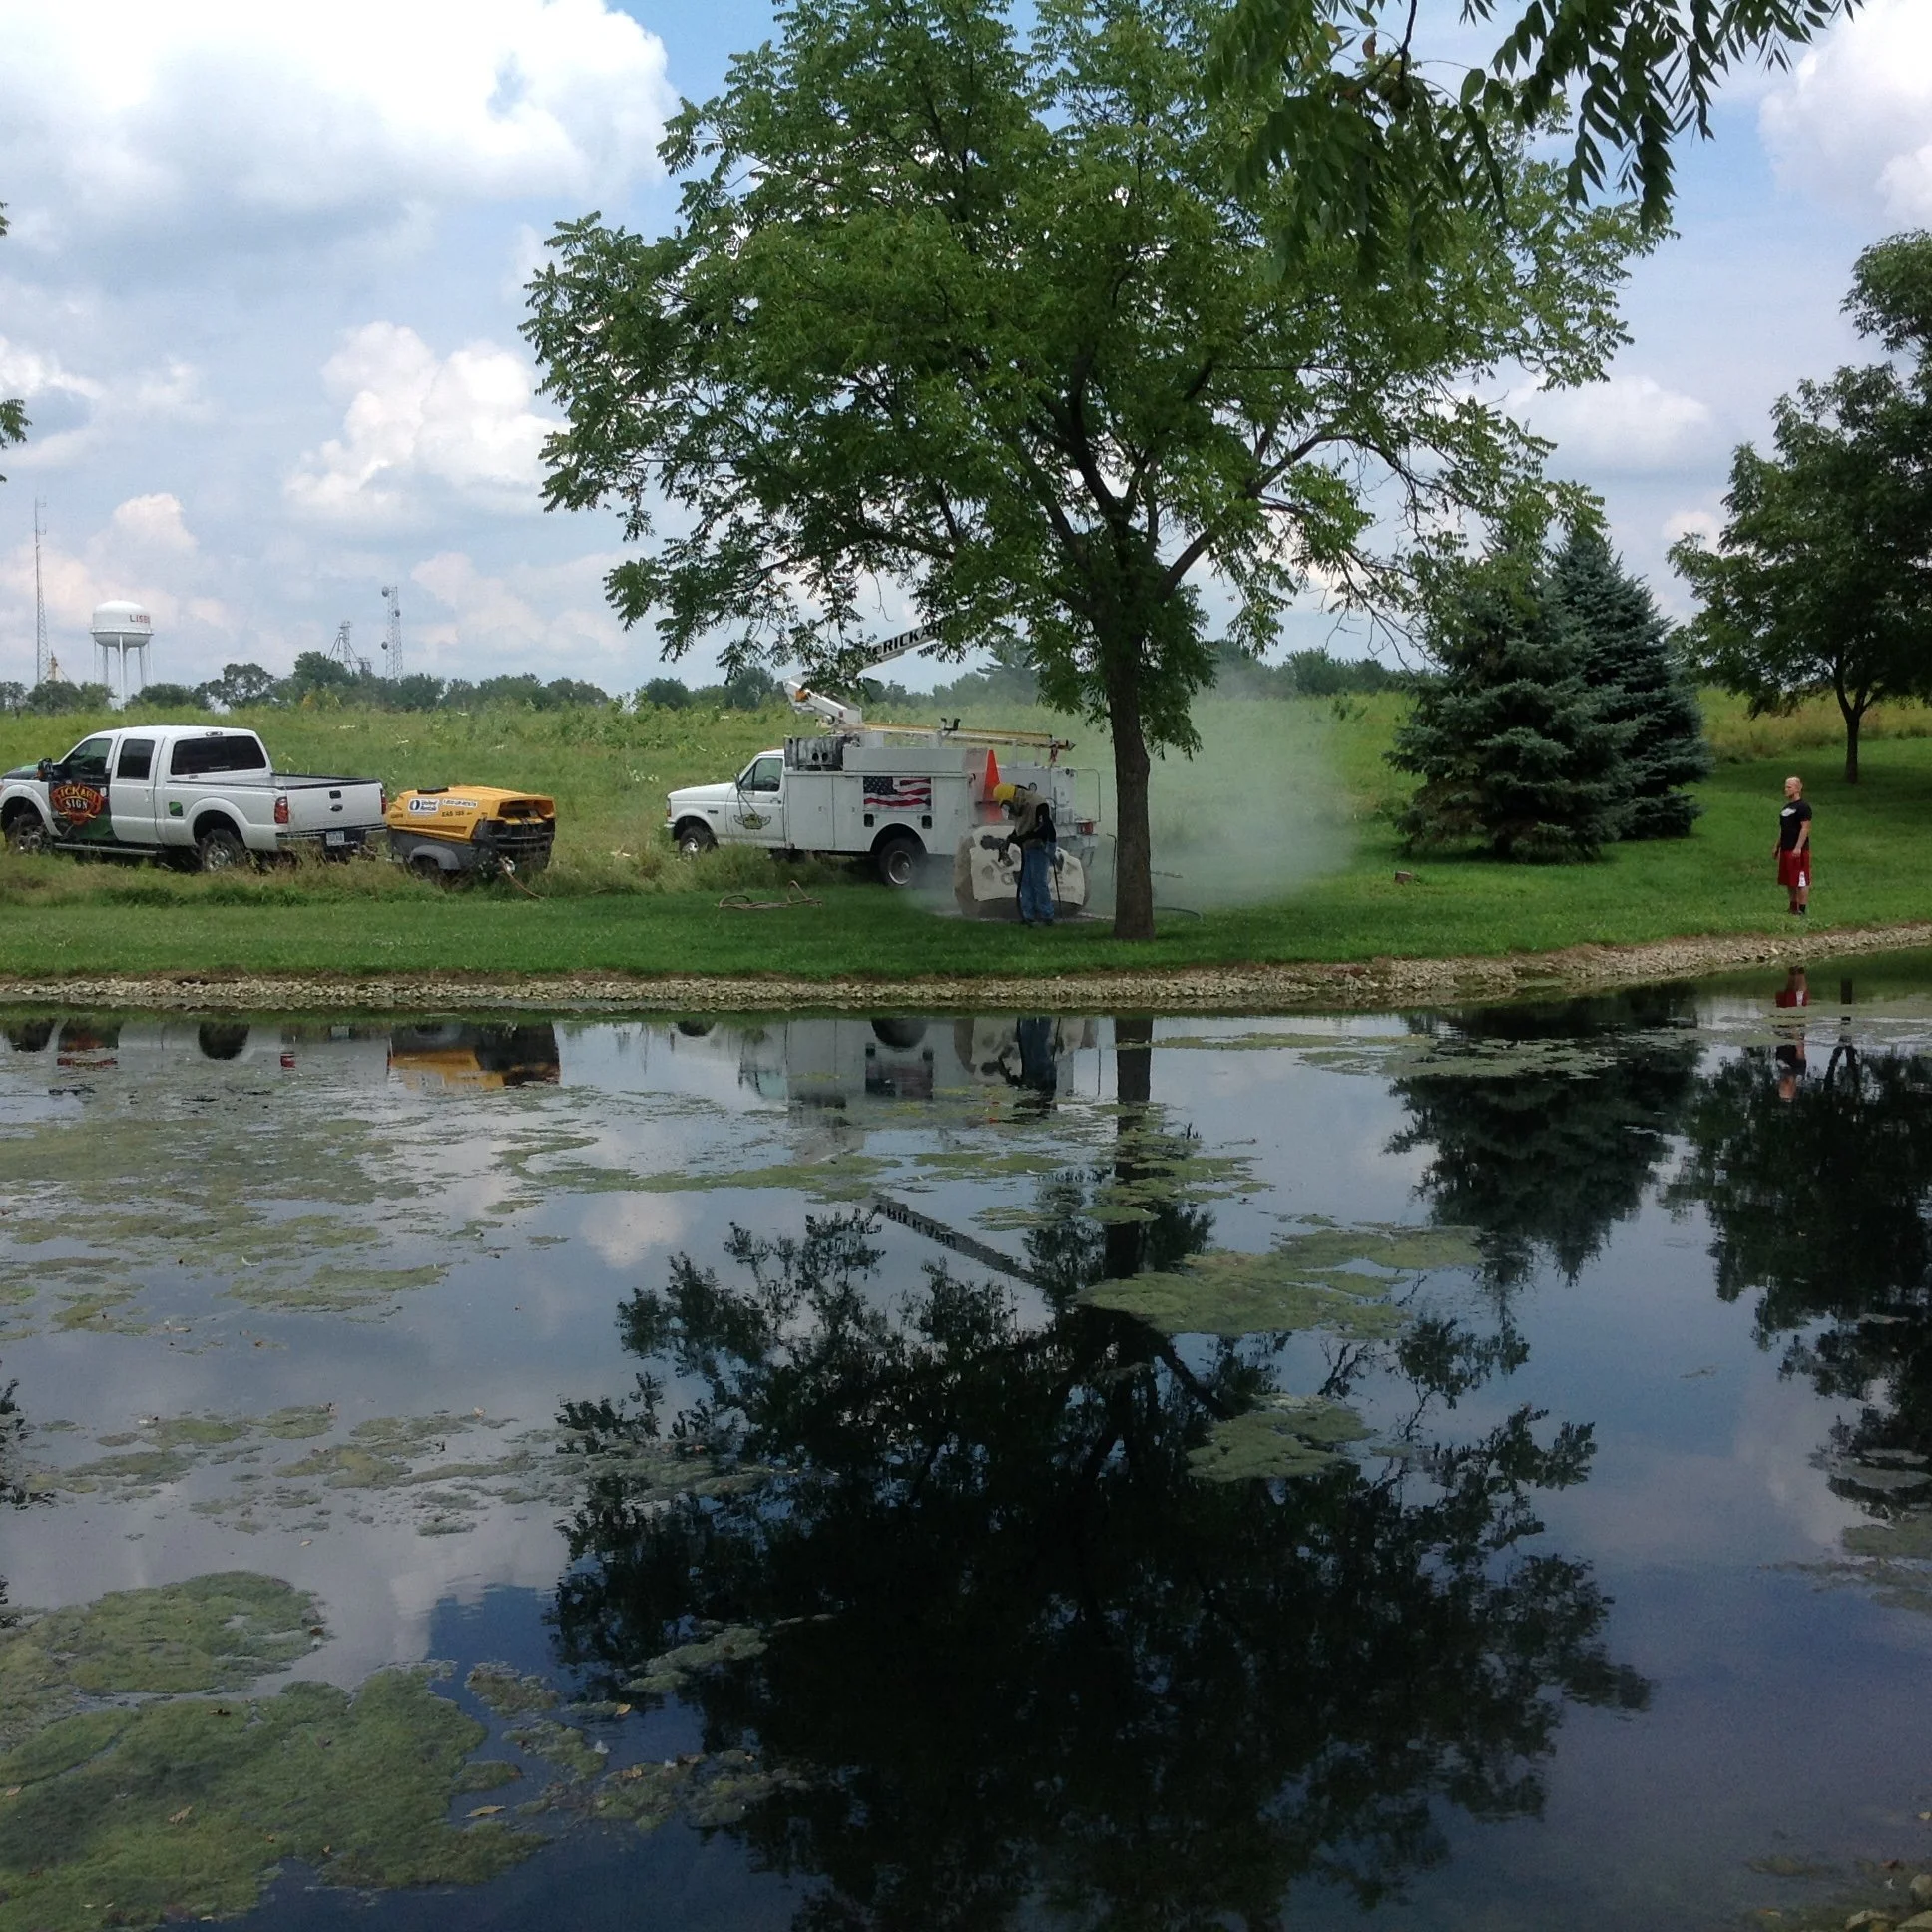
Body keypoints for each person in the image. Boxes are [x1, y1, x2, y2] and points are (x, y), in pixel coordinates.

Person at [1002, 785, 1059, 925]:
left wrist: (1023, 838)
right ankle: (1028, 916)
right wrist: (1011, 838)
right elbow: (1023, 826)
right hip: (1029, 846)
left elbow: (1045, 829)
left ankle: (1047, 916)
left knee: (1038, 882)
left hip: (1041, 846)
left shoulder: (1038, 804)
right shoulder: (1021, 806)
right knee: (1025, 881)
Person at [1775, 775, 1812, 916]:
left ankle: (1802, 909)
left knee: (1800, 879)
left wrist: (1798, 847)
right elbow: (1783, 829)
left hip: (1798, 850)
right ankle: (1793, 906)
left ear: (1798, 788)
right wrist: (1777, 846)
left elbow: (1805, 828)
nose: (1786, 790)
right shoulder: (1786, 809)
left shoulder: (1803, 807)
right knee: (1789, 879)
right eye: (1786, 787)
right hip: (1786, 847)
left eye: (1789, 787)